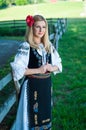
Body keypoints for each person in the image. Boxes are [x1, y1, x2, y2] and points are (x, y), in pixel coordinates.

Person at [10, 14, 62, 130]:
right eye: (38, 27)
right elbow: (18, 70)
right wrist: (39, 70)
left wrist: (50, 67)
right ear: (32, 28)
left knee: (44, 118)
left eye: (43, 27)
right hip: (31, 88)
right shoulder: (26, 46)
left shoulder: (48, 46)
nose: (41, 30)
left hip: (45, 87)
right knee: (31, 120)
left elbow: (59, 65)